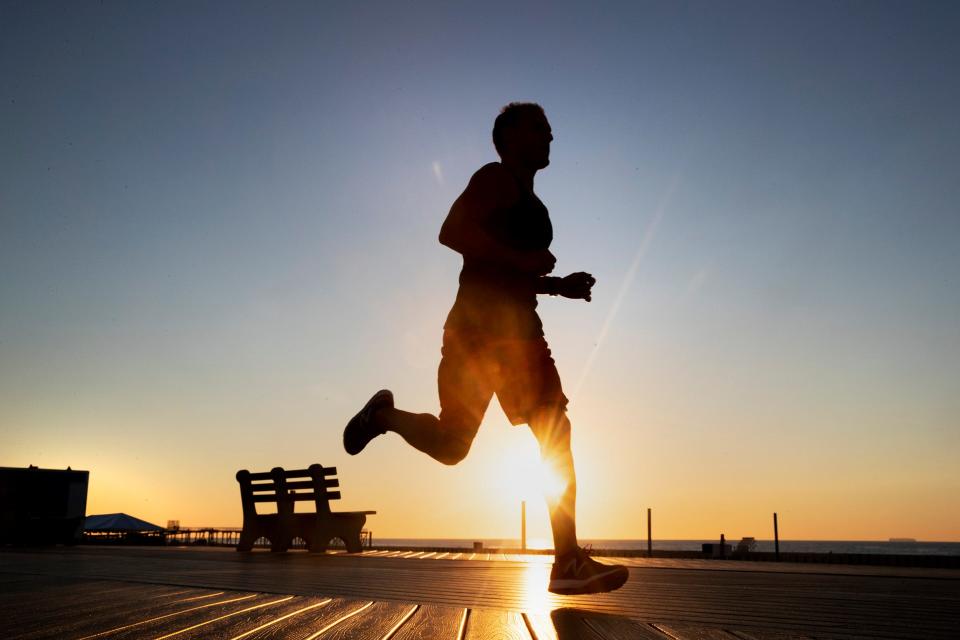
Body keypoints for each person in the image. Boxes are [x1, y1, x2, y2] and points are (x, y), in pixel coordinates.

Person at [343, 102, 628, 595]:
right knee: (458, 446)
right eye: (540, 128)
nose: (551, 135)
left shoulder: (533, 204)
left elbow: (507, 274)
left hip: (519, 332)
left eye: (550, 128)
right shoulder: (495, 177)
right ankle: (384, 417)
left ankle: (566, 560)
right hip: (479, 332)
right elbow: (452, 233)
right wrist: (525, 259)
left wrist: (558, 285)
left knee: (551, 430)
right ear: (509, 137)